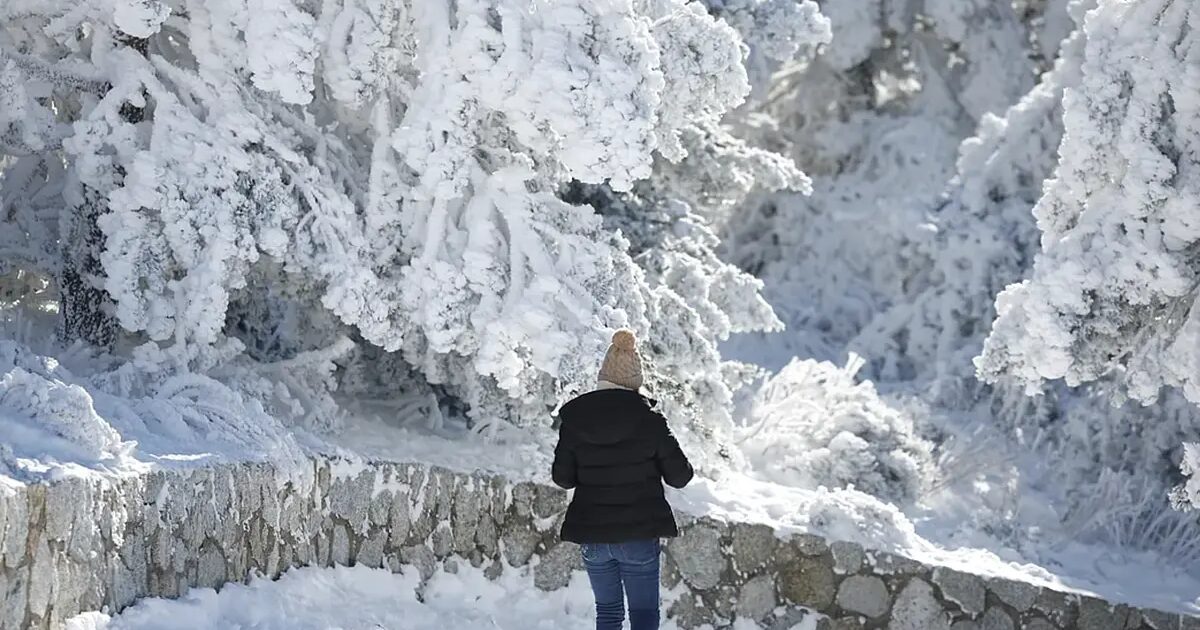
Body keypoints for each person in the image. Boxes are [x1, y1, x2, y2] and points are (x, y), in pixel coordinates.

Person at [551, 329, 695, 630]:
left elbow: (562, 479)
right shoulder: (651, 421)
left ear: (602, 377)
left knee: (608, 613)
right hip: (639, 535)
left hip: (593, 536)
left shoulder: (575, 421)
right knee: (643, 617)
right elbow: (680, 477)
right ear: (634, 381)